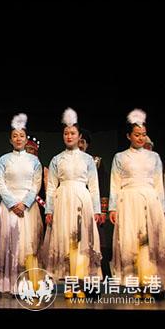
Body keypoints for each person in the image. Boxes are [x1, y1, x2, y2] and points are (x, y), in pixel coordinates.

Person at [109, 109, 165, 298]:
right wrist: (113, 207)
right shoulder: (120, 157)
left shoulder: (154, 157)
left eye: (143, 134)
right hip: (128, 201)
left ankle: (147, 285)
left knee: (147, 242)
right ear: (128, 136)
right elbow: (115, 183)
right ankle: (136, 286)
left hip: (149, 201)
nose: (140, 138)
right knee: (131, 242)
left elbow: (159, 186)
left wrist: (162, 211)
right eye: (137, 135)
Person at [41, 108, 102, 299]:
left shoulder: (88, 160)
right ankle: (69, 283)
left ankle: (81, 284)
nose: (69, 136)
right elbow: (51, 186)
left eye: (73, 133)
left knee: (81, 240)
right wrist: (49, 210)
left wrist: (97, 210)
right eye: (66, 133)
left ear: (79, 136)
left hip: (82, 199)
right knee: (66, 240)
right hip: (63, 200)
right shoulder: (57, 159)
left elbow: (94, 186)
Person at [0, 114, 43, 297]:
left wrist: (25, 203)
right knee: (10, 244)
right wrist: (12, 203)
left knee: (28, 245)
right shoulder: (4, 159)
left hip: (28, 207)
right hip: (9, 207)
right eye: (15, 136)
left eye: (21, 136)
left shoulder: (34, 161)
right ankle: (10, 285)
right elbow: (0, 183)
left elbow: (36, 184)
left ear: (26, 138)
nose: (18, 139)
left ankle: (29, 285)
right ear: (10, 139)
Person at [78, 128, 110, 278]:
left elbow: (102, 186)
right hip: (75, 204)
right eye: (78, 141)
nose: (80, 144)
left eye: (83, 142)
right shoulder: (65, 160)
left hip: (93, 205)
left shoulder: (96, 161)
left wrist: (102, 210)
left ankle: (102, 273)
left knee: (97, 238)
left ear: (87, 144)